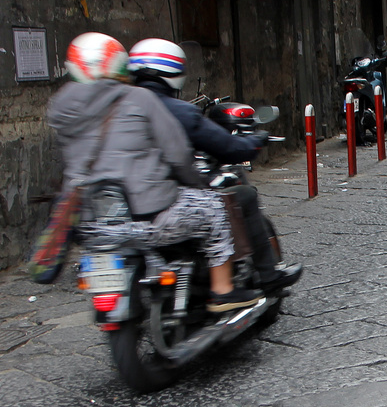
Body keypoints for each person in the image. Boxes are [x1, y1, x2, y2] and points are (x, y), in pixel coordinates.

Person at [48, 32, 260, 313]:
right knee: (214, 207)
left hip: (91, 223)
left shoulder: (61, 108)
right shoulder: (139, 99)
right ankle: (222, 290)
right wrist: (196, 183)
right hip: (149, 217)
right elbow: (177, 154)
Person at [128, 38, 301, 294]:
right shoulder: (177, 111)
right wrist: (255, 141)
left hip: (121, 213)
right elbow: (228, 149)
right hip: (160, 206)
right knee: (239, 197)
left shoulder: (115, 110)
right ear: (173, 72)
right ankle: (260, 277)